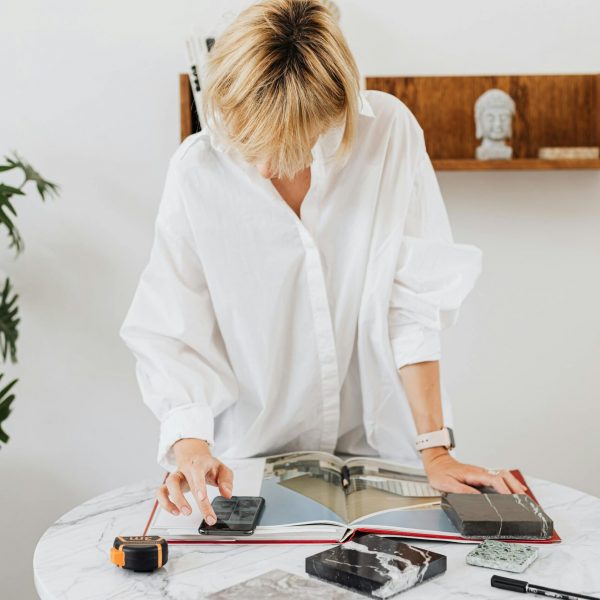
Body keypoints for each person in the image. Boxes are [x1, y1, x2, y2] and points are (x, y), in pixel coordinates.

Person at [120, 0, 527, 526]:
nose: (265, 168)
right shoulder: (196, 170)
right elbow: (174, 328)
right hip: (245, 465)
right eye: (249, 142)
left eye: (289, 145)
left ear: (333, 110)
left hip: (379, 455)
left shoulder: (389, 135)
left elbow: (413, 305)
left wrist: (436, 450)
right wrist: (190, 446)